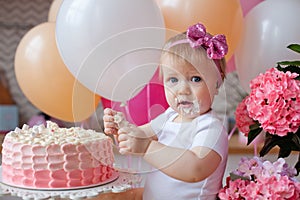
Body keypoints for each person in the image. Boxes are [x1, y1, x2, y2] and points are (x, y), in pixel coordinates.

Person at [100, 22, 229, 200]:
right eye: (173, 80)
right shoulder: (170, 116)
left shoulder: (210, 128)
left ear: (217, 83)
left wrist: (146, 148)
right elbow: (141, 135)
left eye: (195, 79)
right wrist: (122, 128)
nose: (182, 90)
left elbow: (195, 168)